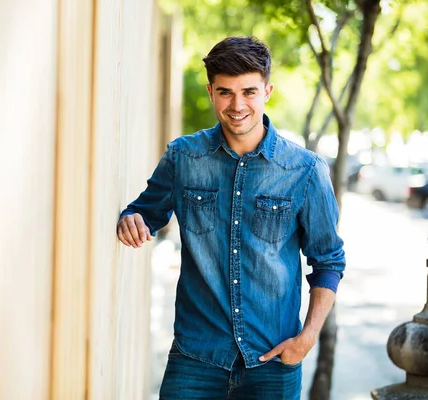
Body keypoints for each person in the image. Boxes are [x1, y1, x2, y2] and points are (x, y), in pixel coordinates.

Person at [116, 36, 345, 399]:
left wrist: (306, 339)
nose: (237, 105)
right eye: (225, 92)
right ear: (210, 91)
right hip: (195, 359)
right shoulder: (183, 158)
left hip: (273, 362)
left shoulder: (305, 171)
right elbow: (144, 213)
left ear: (267, 90)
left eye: (249, 92)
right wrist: (132, 220)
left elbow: (329, 260)